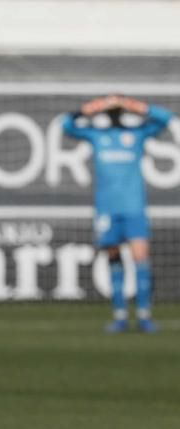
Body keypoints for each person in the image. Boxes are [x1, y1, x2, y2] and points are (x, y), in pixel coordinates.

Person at [62, 95, 173, 333]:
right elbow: (66, 124)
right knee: (113, 260)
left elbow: (165, 118)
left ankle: (144, 316)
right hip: (107, 210)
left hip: (134, 208)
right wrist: (94, 107)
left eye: (117, 111)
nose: (114, 116)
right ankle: (120, 315)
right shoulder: (97, 135)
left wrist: (131, 104)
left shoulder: (136, 134)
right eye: (110, 112)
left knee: (140, 258)